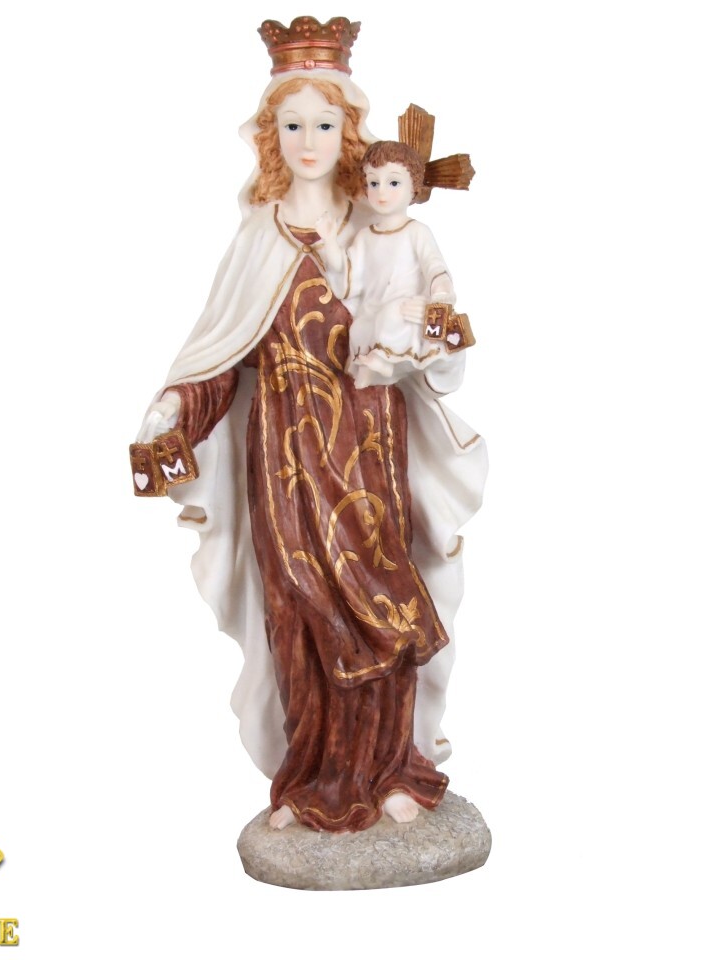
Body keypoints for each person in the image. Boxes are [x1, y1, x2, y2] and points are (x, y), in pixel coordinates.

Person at [136, 21, 486, 832]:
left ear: (349, 131)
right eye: (291, 124)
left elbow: (432, 325)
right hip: (285, 450)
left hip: (366, 441)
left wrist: (427, 337)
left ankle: (391, 768)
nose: (308, 141)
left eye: (324, 124)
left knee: (379, 598)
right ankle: (313, 777)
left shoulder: (382, 225)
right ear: (270, 135)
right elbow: (220, 351)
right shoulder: (257, 240)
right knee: (297, 603)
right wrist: (175, 408)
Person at [317, 140, 458, 388]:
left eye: (393, 183)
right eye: (374, 183)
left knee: (391, 316)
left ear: (413, 186)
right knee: (359, 329)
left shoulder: (416, 232)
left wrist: (440, 296)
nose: (381, 192)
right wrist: (329, 240)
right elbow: (348, 276)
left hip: (403, 309)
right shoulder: (365, 236)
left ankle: (384, 362)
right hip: (372, 310)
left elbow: (434, 268)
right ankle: (372, 369)